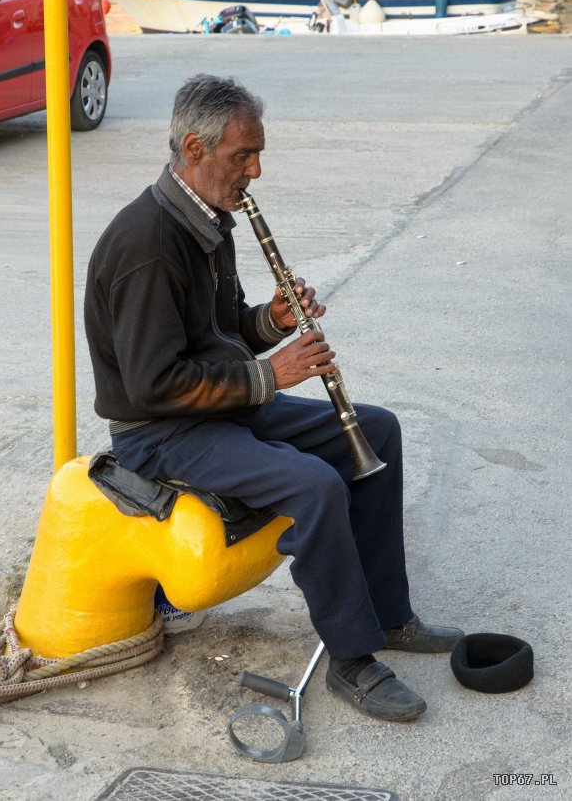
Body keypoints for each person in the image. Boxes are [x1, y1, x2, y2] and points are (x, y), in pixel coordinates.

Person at [84, 73, 463, 722]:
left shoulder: (209, 218)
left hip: (215, 407)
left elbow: (225, 329)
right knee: (314, 485)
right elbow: (153, 384)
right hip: (159, 431)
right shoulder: (147, 244)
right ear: (196, 151)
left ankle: (387, 613)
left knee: (376, 432)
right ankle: (351, 659)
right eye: (243, 156)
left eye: (257, 154)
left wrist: (275, 323)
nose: (255, 170)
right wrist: (274, 374)